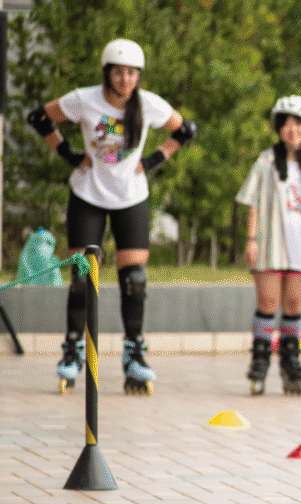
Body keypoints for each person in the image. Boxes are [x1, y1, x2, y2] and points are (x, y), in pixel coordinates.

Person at [26, 38, 196, 395]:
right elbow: (39, 117)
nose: (125, 79)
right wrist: (70, 155)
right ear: (107, 72)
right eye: (118, 72)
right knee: (83, 277)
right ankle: (72, 350)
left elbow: (184, 130)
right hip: (87, 194)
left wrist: (151, 162)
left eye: (132, 72)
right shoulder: (84, 99)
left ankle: (134, 354)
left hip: (131, 198)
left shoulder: (148, 105)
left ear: (139, 75)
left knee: (134, 280)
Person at [237, 95, 301, 396]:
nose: (293, 129)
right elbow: (252, 203)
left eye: (299, 124)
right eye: (286, 123)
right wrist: (251, 239)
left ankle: (290, 362)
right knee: (268, 304)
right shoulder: (265, 162)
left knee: (294, 306)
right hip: (270, 244)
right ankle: (260, 361)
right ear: (278, 127)